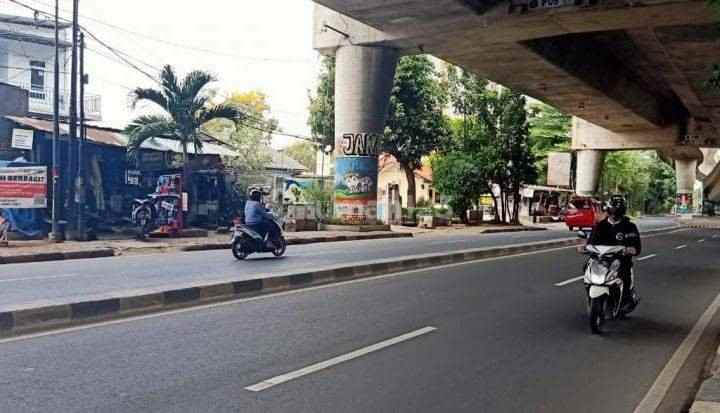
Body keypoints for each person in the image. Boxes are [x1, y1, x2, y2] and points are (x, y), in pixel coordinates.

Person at [587, 195, 641, 310]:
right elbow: (591, 242)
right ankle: (590, 296)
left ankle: (625, 299)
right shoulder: (600, 226)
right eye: (613, 209)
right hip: (601, 259)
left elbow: (636, 246)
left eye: (618, 209)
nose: (614, 212)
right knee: (586, 267)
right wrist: (585, 248)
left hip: (620, 260)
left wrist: (630, 249)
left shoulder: (629, 226)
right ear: (608, 209)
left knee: (624, 274)